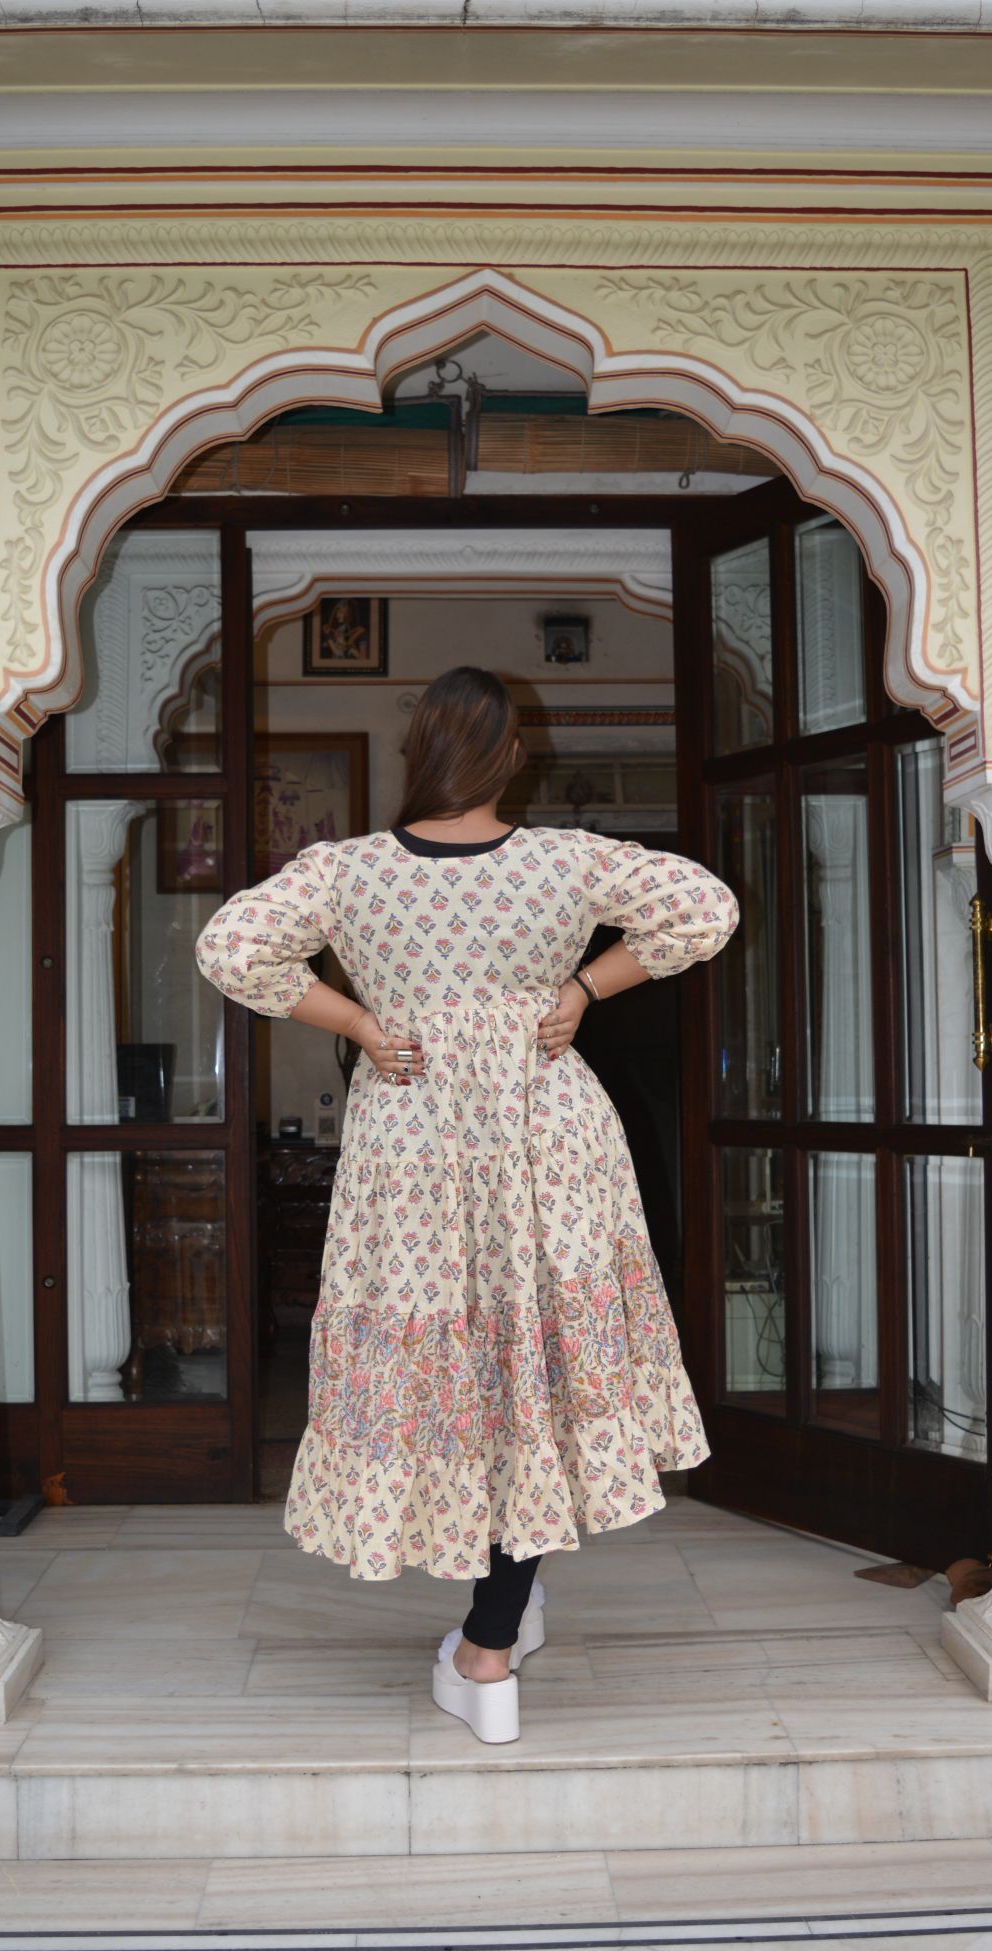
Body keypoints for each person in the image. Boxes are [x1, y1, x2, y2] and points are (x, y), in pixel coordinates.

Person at [195, 666, 740, 1743]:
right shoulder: (567, 859)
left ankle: (490, 1644)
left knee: (466, 1366)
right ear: (510, 757)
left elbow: (229, 946)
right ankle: (498, 1626)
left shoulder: (347, 870)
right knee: (527, 1362)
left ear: (419, 753)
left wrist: (358, 1020)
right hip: (546, 1129)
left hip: (413, 1135)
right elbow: (703, 907)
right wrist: (581, 987)